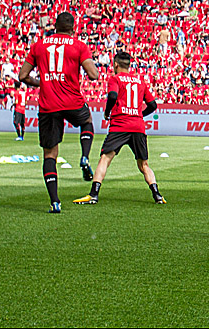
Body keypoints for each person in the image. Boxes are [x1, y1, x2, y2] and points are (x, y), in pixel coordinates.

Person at [19, 11, 100, 214]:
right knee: (87, 120)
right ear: (73, 28)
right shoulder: (79, 46)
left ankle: (55, 202)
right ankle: (84, 157)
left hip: (48, 105)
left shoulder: (39, 45)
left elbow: (23, 75)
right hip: (72, 100)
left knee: (50, 154)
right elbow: (93, 75)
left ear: (54, 27)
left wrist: (44, 82)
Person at [73, 52, 164, 205]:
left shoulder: (115, 79)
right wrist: (139, 114)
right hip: (137, 126)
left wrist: (107, 112)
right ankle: (158, 195)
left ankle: (93, 194)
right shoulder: (139, 81)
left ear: (115, 64)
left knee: (105, 159)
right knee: (143, 164)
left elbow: (113, 96)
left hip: (120, 125)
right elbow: (153, 105)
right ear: (129, 65)